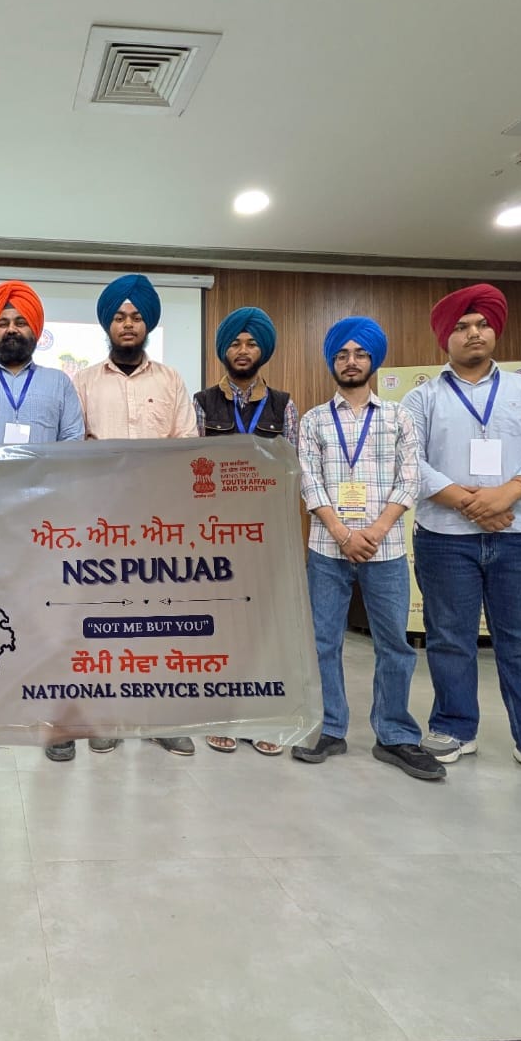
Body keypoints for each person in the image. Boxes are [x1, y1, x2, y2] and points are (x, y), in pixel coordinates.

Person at [402, 284, 521, 791]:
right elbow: (407, 459)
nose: (473, 333)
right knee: (449, 638)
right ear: (445, 337)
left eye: (481, 324)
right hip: (445, 535)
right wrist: (467, 502)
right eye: (461, 326)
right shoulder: (422, 398)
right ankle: (453, 728)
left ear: (494, 331)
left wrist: (510, 492)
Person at [291, 317, 440, 779]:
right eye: (341, 355)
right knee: (323, 643)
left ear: (373, 360)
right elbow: (309, 482)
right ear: (331, 362)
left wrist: (375, 531)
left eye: (359, 354)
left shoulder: (399, 416)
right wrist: (342, 533)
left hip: (386, 548)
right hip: (327, 548)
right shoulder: (314, 419)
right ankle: (329, 728)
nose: (350, 362)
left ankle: (394, 734)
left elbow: (410, 478)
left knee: (394, 644)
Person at [0, 280, 84, 762]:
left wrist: (34, 482)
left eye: (20, 321)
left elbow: (73, 445)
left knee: (49, 623)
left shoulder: (60, 384)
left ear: (35, 330)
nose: (11, 329)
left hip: (46, 525)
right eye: (3, 322)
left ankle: (55, 724)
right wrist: (3, 478)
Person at [72, 273, 197, 758]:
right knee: (103, 617)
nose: (128, 324)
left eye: (136, 317)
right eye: (120, 317)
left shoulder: (170, 380)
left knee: (159, 618)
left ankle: (160, 719)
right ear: (108, 324)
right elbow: (74, 447)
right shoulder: (83, 382)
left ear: (148, 325)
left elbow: (185, 444)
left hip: (158, 519)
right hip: (100, 520)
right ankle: (105, 718)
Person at [193, 306, 297, 757]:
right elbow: (190, 468)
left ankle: (265, 717)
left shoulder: (284, 405)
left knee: (265, 625)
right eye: (235, 343)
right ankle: (223, 715)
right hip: (215, 532)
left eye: (251, 343)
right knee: (222, 625)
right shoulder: (202, 403)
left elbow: (293, 471)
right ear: (223, 350)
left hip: (266, 532)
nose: (242, 350)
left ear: (263, 350)